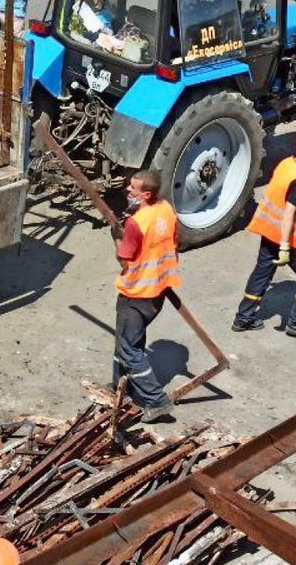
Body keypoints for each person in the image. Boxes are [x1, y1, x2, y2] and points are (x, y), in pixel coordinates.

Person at [231, 125, 296, 340]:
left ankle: (244, 317)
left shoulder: (286, 164)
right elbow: (289, 213)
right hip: (291, 239)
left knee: (262, 273)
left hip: (269, 230)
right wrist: (286, 247)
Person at [112, 170, 181, 423]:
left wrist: (117, 239)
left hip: (137, 293)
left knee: (128, 349)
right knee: (130, 341)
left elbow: (124, 258)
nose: (128, 190)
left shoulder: (136, 223)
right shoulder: (165, 210)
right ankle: (119, 388)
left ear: (146, 194)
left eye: (133, 188)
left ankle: (156, 400)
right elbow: (175, 242)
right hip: (158, 291)